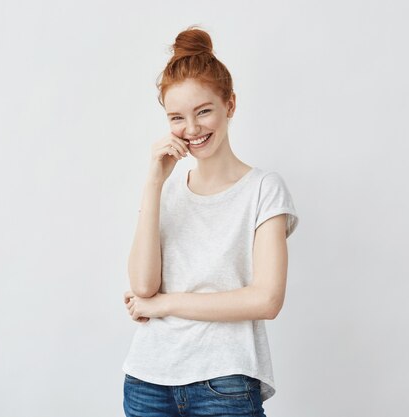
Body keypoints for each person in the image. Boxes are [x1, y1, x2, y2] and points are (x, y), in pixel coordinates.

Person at [121, 25, 299, 417]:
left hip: (225, 382)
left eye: (204, 111)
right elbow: (143, 284)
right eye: (177, 118)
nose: (192, 129)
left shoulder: (263, 189)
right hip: (148, 380)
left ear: (230, 105)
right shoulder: (165, 189)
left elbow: (266, 299)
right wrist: (153, 183)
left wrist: (164, 304)